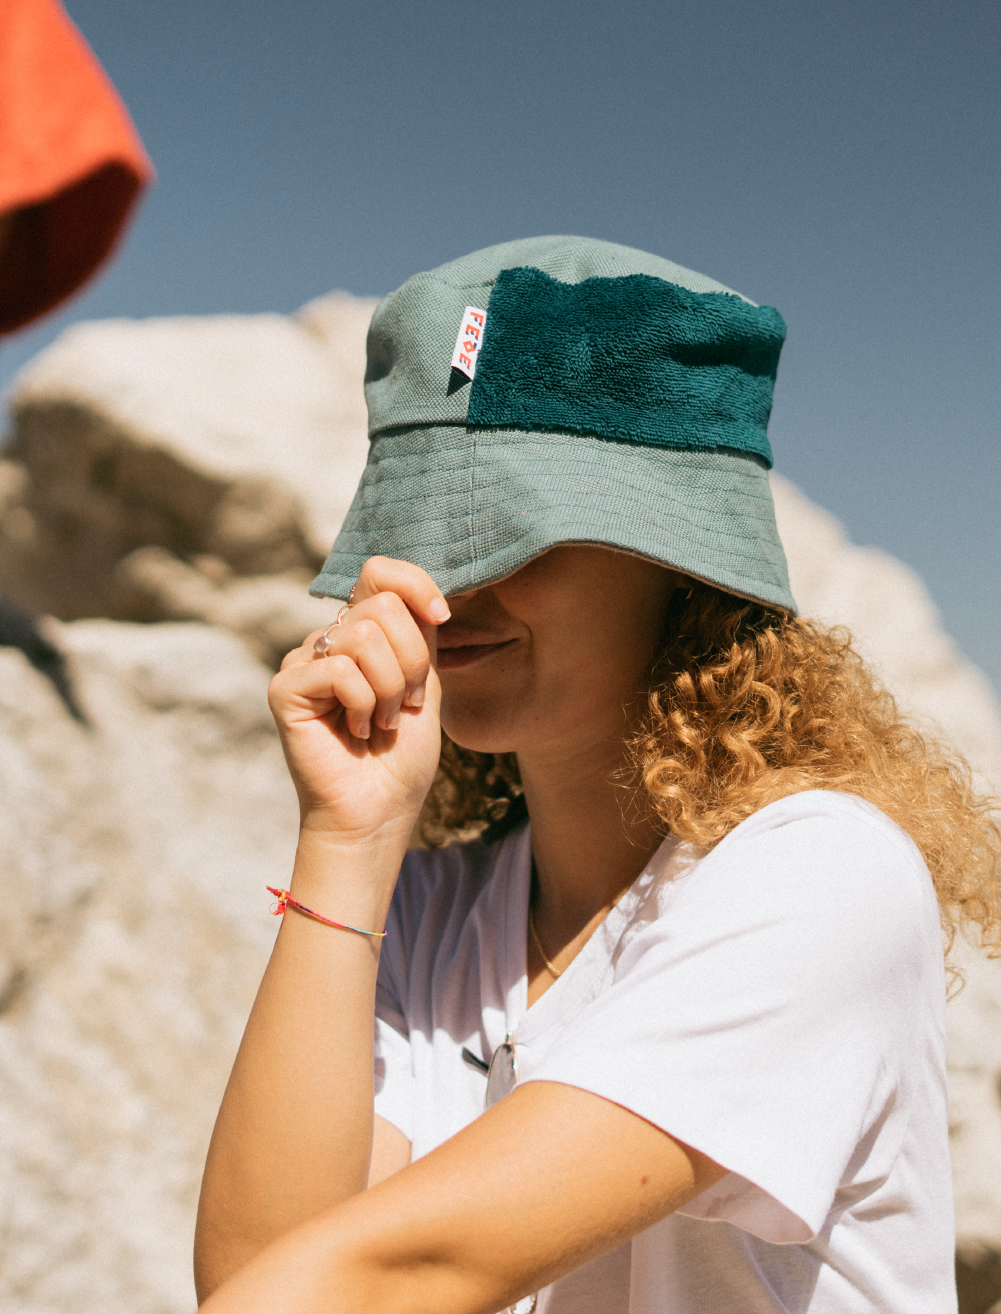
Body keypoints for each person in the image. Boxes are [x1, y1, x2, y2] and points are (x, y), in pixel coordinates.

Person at [193, 236, 1000, 1314]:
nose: (445, 583)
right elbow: (258, 1281)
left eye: (505, 529)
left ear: (672, 561)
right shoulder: (425, 910)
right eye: (421, 525)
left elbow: (382, 1280)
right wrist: (344, 845)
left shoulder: (817, 876)